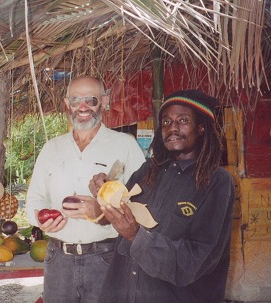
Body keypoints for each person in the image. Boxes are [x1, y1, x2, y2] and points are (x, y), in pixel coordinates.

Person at [90, 89, 235, 303]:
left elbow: (196, 260)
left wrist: (136, 236)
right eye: (166, 122)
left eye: (183, 120)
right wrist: (103, 195)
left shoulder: (217, 182)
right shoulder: (148, 170)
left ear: (201, 127)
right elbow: (117, 215)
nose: (173, 127)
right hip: (124, 291)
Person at [26, 75, 145, 303]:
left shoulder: (125, 144)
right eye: (75, 100)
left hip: (107, 257)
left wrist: (101, 212)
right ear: (66, 103)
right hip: (58, 258)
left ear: (105, 101)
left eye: (91, 99)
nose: (83, 107)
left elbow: (142, 202)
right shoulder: (52, 148)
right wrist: (40, 219)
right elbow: (35, 199)